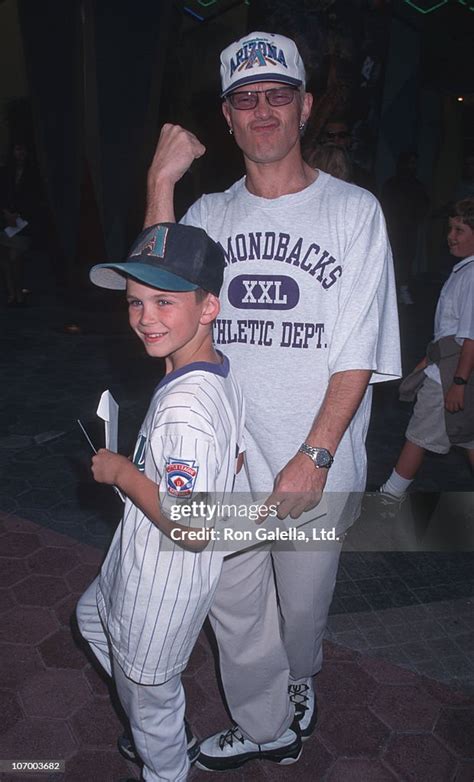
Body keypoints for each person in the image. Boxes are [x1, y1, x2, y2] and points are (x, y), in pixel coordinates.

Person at [145, 31, 401, 771]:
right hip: (227, 469)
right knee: (234, 613)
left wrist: (314, 456)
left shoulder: (353, 213)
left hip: (314, 473)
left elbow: (356, 355)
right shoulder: (207, 219)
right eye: (245, 99)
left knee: (300, 616)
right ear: (227, 117)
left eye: (277, 95)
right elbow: (157, 310)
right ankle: (267, 726)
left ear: (304, 107)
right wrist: (162, 181)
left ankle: (303, 680)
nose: (262, 111)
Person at [76, 221, 245, 782]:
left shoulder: (185, 409)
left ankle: (166, 764)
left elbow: (193, 527)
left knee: (150, 702)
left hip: (160, 589)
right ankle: (159, 719)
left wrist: (123, 471)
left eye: (165, 301)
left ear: (208, 307)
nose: (146, 317)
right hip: (141, 564)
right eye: (135, 302)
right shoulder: (210, 370)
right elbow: (226, 458)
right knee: (91, 616)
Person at [379, 198, 474, 505]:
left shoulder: (471, 277)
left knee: (418, 434)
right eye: (450, 228)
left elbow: (470, 337)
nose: (452, 235)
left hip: (449, 375)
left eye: (460, 229)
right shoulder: (464, 271)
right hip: (447, 365)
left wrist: (458, 384)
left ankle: (389, 496)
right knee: (467, 437)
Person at [381, 149, 429, 305]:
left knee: (406, 261)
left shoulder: (417, 185)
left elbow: (423, 206)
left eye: (414, 163)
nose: (412, 166)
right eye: (410, 162)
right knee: (390, 260)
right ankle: (388, 293)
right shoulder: (391, 184)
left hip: (409, 230)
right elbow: (384, 205)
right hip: (392, 229)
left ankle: (402, 288)